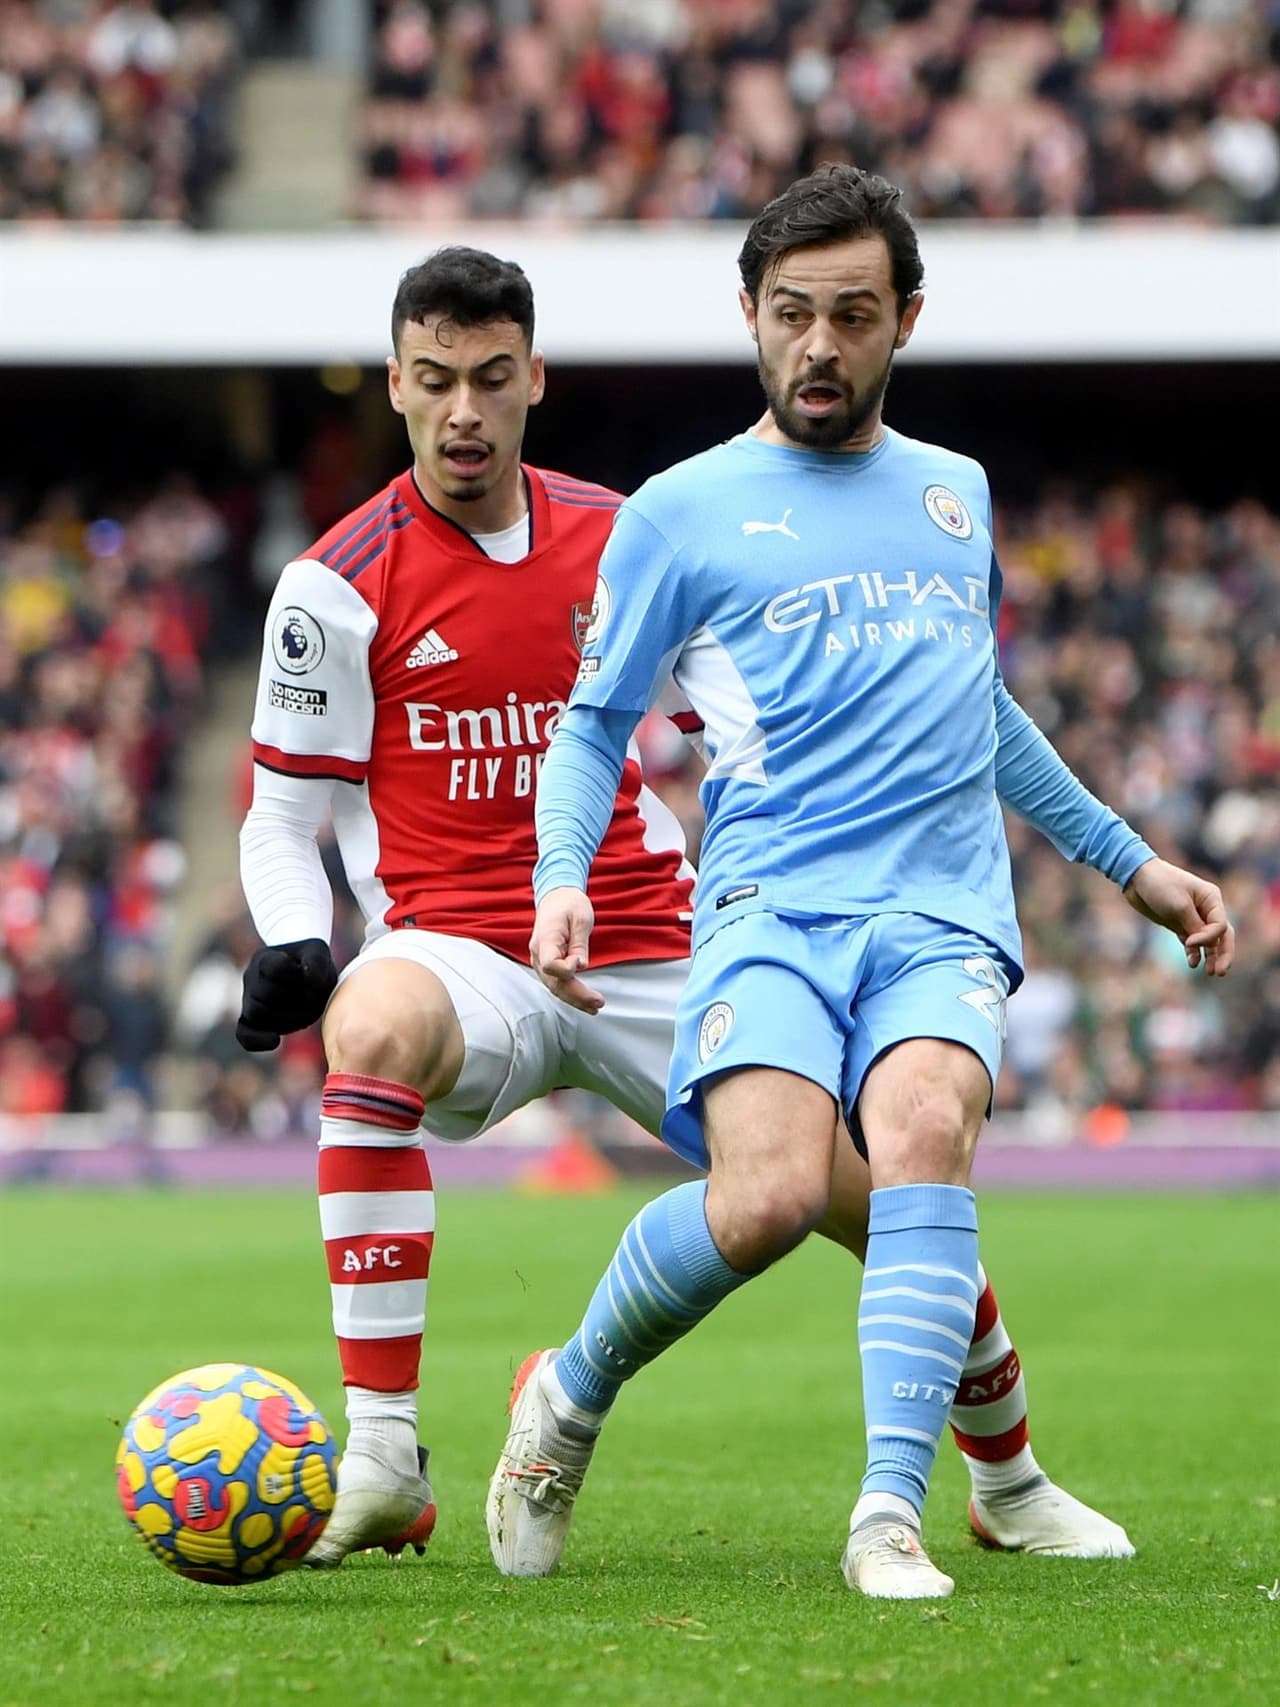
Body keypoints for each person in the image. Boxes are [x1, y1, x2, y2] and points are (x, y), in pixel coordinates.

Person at [238, 244, 1135, 1575]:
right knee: (366, 1017)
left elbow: (763, 702)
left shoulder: (633, 531)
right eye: (435, 383)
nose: (466, 412)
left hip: (655, 936)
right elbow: (281, 819)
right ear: (397, 386)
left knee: (877, 1186)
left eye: (492, 379)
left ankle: (1007, 1472)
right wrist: (291, 935)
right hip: (460, 952)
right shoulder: (334, 585)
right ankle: (380, 1455)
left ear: (534, 377)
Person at [493, 167, 1234, 1600]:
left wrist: (1130, 861)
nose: (818, 347)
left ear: (904, 318)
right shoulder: (681, 512)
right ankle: (566, 1398)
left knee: (922, 1129)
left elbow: (984, 711)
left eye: (849, 314)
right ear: (750, 319)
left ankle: (892, 1513)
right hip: (771, 907)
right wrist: (559, 877)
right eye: (789, 316)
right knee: (766, 1198)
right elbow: (592, 723)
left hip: (941, 912)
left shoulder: (955, 494)